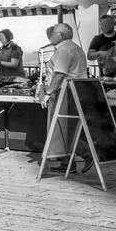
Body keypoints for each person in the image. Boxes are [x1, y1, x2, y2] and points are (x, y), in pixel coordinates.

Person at [36, 22, 89, 173]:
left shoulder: (64, 50)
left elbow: (59, 74)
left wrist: (47, 93)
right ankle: (67, 163)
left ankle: (88, 154)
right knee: (64, 128)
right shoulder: (74, 48)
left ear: (60, 35)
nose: (51, 35)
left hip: (66, 92)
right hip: (75, 91)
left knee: (62, 128)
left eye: (53, 33)